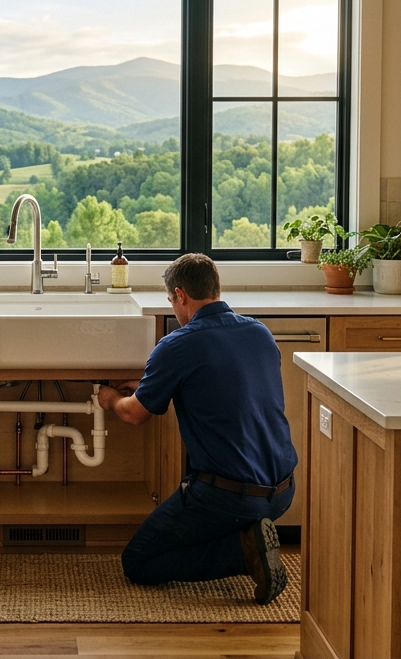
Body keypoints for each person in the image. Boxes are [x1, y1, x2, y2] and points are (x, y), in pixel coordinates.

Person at [97, 253, 297, 603]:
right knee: (202, 525)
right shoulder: (258, 332)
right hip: (282, 492)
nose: (174, 309)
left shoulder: (178, 344)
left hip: (229, 496)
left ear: (180, 294)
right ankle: (250, 534)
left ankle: (243, 550)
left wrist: (110, 398)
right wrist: (153, 385)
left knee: (138, 561)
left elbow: (134, 415)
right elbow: (222, 385)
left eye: (171, 301)